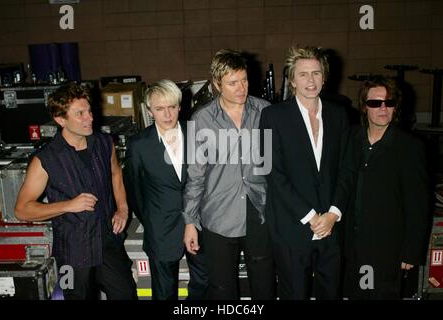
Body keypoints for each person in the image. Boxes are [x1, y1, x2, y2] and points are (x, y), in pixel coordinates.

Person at [15, 82, 137, 300]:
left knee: (127, 295)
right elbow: (22, 210)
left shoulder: (104, 143)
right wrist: (68, 205)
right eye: (80, 114)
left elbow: (116, 174)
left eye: (89, 111)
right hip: (71, 252)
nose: (89, 118)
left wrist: (123, 208)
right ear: (61, 119)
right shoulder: (45, 159)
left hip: (107, 243)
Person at [183, 49, 277, 300]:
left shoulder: (265, 111)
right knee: (222, 288)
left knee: (264, 284)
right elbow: (195, 175)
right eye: (232, 82)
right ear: (216, 84)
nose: (241, 88)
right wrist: (190, 221)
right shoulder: (202, 119)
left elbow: (276, 166)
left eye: (244, 80)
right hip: (218, 214)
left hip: (260, 210)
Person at [259, 45, 350, 300]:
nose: (311, 80)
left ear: (324, 76)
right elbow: (271, 172)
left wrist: (333, 214)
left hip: (331, 228)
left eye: (316, 73)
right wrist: (310, 217)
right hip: (292, 228)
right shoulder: (271, 116)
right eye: (303, 74)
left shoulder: (340, 115)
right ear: (292, 80)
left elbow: (346, 169)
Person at [343, 76, 430, 299]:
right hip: (352, 247)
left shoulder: (409, 148)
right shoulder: (351, 139)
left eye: (389, 103)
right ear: (364, 107)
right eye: (375, 103)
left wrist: (411, 252)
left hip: (385, 250)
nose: (383, 108)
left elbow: (418, 205)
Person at [123, 79, 209, 300]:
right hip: (161, 226)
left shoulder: (198, 136)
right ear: (150, 110)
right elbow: (134, 190)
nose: (167, 114)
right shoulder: (139, 144)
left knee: (205, 281)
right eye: (160, 108)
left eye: (172, 107)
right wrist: (151, 219)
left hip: (200, 222)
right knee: (163, 291)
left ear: (180, 106)